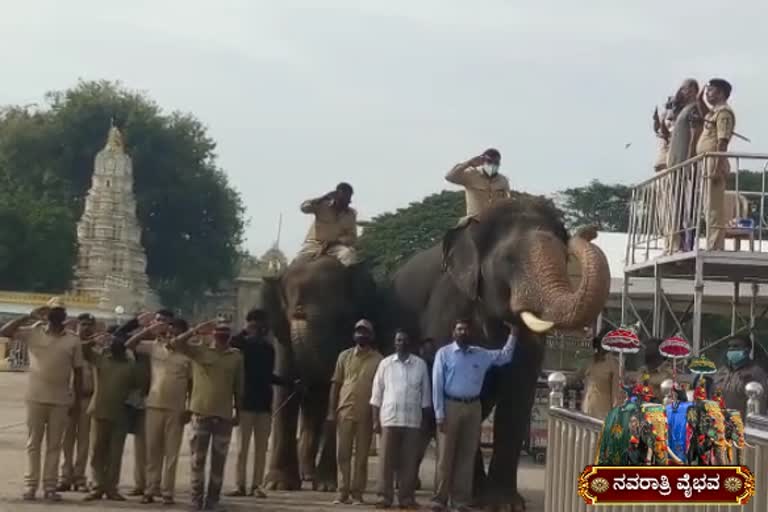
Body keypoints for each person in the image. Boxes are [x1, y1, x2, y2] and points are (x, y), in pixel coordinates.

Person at [0, 298, 84, 502]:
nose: (57, 315)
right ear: (46, 313)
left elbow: (78, 373)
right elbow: (4, 332)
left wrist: (77, 401)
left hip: (61, 400)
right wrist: (29, 315)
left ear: (65, 316)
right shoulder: (33, 332)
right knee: (33, 445)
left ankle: (50, 487)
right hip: (36, 397)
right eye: (53, 311)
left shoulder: (73, 340)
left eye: (60, 312)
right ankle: (31, 486)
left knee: (54, 445)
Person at [431, 319, 517, 512]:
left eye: (466, 329)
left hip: (472, 407)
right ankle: (440, 499)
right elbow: (436, 385)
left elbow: (505, 356)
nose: (463, 332)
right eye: (459, 329)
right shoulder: (444, 354)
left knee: (466, 455)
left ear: (471, 333)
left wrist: (514, 335)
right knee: (445, 455)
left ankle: (460, 501)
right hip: (450, 405)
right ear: (453, 332)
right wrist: (439, 414)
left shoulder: (481, 354)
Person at [171, 319, 243, 511]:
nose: (222, 334)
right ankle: (196, 500)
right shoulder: (199, 350)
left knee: (219, 462)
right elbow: (176, 344)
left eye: (226, 331)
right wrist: (195, 329)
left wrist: (239, 412)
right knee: (197, 461)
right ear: (212, 333)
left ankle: (213, 501)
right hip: (200, 413)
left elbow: (239, 387)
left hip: (224, 416)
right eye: (219, 331)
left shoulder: (236, 356)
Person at [228, 309, 299, 498]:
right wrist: (245, 330)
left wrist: (289, 383)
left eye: (260, 325)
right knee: (242, 449)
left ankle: (256, 486)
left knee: (261, 449)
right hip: (245, 404)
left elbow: (269, 376)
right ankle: (239, 485)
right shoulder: (241, 346)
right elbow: (231, 342)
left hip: (264, 405)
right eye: (254, 325)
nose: (258, 329)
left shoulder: (268, 349)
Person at [125, 317, 192, 505]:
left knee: (171, 452)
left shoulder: (189, 355)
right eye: (170, 331)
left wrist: (189, 408)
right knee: (152, 450)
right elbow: (129, 344)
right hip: (153, 405)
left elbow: (193, 384)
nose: (172, 335)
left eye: (177, 331)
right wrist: (151, 329)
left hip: (176, 408)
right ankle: (150, 489)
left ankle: (167, 491)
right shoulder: (155, 347)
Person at [370, 329, 431, 509]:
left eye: (404, 340)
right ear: (394, 343)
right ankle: (384, 497)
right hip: (389, 420)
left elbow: (425, 396)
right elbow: (376, 395)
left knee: (409, 462)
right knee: (385, 462)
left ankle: (406, 498)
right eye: (398, 340)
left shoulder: (420, 365)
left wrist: (425, 423)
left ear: (409, 343)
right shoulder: (385, 364)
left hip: (412, 422)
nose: (401, 343)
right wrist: (375, 421)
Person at [327, 319, 383, 505]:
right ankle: (342, 492)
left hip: (366, 413)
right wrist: (331, 411)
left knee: (361, 456)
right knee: (342, 454)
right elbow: (336, 384)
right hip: (344, 410)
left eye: (365, 332)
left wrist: (377, 417)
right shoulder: (344, 356)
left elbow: (381, 389)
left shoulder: (379, 360)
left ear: (371, 336)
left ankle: (357, 493)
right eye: (359, 331)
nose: (362, 335)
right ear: (354, 335)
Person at [83, 331, 140, 502]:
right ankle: (97, 487)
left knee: (115, 454)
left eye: (119, 344)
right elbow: (82, 349)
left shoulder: (131, 365)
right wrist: (94, 340)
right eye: (113, 344)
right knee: (97, 453)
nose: (115, 346)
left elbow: (138, 387)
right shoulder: (100, 359)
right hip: (99, 411)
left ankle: (111, 488)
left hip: (120, 414)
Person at [58, 313, 98, 493]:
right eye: (83, 324)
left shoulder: (98, 348)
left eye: (90, 325)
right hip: (69, 397)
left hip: (89, 399)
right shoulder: (71, 345)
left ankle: (80, 478)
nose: (87, 328)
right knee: (66, 440)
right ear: (77, 326)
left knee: (84, 441)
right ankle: (65, 477)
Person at [695, 78, 736, 250]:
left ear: (720, 93)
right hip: (707, 160)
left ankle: (715, 245)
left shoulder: (724, 112)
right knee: (707, 206)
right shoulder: (713, 112)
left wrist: (718, 166)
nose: (707, 93)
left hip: (714, 160)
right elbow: (701, 104)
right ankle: (712, 243)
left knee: (713, 206)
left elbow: (722, 140)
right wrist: (700, 96)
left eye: (710, 90)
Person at [663, 79, 702, 253]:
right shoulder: (682, 110)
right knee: (676, 204)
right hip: (675, 161)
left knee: (687, 205)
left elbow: (695, 133)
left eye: (685, 88)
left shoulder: (694, 108)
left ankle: (686, 244)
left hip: (685, 163)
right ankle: (676, 242)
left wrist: (689, 158)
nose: (682, 91)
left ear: (693, 90)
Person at [297, 182, 358, 266]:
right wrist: (322, 198)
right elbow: (304, 208)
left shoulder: (351, 214)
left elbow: (352, 236)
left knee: (348, 255)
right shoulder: (322, 205)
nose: (346, 202)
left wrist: (336, 241)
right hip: (314, 244)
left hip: (335, 246)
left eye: (348, 199)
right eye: (343, 198)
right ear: (336, 195)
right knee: (298, 261)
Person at [445, 149, 510, 222]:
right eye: (489, 161)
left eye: (496, 162)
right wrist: (468, 163)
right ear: (482, 161)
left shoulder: (503, 180)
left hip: (496, 222)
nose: (492, 164)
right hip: (473, 221)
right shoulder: (471, 174)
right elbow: (449, 177)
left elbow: (507, 201)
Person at [714, 337, 768, 417]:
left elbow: (760, 406)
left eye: (736, 346)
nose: (732, 349)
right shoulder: (722, 371)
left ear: (747, 350)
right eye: (730, 346)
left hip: (742, 426)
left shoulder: (756, 373)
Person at [581, 334, 621, 419]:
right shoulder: (591, 361)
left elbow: (616, 393)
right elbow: (585, 383)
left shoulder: (613, 364)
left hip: (602, 412)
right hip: (587, 407)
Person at [641, 338, 674, 402]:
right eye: (647, 349)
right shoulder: (647, 369)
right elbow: (641, 381)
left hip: (660, 403)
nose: (647, 351)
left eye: (650, 349)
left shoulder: (666, 370)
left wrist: (645, 376)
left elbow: (653, 379)